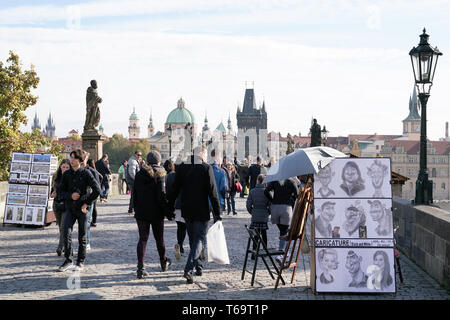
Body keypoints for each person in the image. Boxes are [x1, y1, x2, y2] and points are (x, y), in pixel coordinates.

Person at [167, 146, 221, 284]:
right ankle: (189, 269)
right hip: (201, 210)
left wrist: (169, 208)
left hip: (187, 210)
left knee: (193, 240)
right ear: (202, 153)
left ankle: (199, 267)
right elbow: (213, 192)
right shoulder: (205, 168)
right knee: (198, 240)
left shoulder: (183, 167)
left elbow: (174, 189)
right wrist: (217, 213)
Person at [58, 149, 101, 272]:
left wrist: (87, 203)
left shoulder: (86, 173)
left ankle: (80, 262)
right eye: (71, 158)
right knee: (66, 232)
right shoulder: (66, 174)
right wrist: (70, 196)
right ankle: (68, 260)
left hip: (82, 209)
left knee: (82, 236)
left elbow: (97, 190)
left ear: (80, 160)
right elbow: (60, 192)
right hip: (70, 208)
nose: (72, 160)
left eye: (74, 158)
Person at [133, 150, 173, 279]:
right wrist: (168, 212)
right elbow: (161, 196)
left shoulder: (139, 174)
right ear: (158, 161)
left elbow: (135, 194)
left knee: (142, 239)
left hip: (141, 212)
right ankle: (163, 261)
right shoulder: (160, 174)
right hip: (156, 212)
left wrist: (135, 208)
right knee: (159, 239)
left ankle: (140, 267)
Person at [264, 177, 298, 264]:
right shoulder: (291, 181)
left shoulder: (274, 180)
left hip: (275, 208)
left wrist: (272, 200)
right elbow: (297, 194)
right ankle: (281, 253)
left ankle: (285, 254)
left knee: (283, 232)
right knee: (284, 232)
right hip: (286, 208)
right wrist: (291, 201)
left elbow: (266, 191)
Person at [164, 159, 186, 259]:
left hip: (176, 205)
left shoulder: (170, 176)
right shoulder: (186, 175)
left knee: (180, 227)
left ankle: (180, 244)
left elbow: (168, 191)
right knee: (187, 228)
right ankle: (183, 246)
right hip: (186, 204)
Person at [246, 174, 270, 258]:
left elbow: (248, 205)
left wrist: (252, 212)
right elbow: (270, 205)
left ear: (257, 181)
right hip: (264, 215)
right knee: (264, 235)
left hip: (255, 215)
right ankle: (265, 252)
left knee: (255, 235)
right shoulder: (267, 192)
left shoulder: (252, 191)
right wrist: (267, 213)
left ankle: (254, 253)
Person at [50, 159, 71, 256]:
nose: (65, 169)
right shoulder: (56, 176)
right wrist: (52, 193)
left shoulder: (71, 177)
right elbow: (52, 189)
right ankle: (64, 244)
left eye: (67, 167)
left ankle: (60, 247)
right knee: (60, 226)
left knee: (64, 227)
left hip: (67, 205)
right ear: (60, 167)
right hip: (57, 204)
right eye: (63, 167)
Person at [83, 155, 102, 250]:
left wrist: (89, 201)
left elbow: (97, 189)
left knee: (87, 222)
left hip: (89, 201)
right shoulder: (72, 171)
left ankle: (86, 242)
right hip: (76, 201)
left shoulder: (92, 172)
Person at [126, 150, 142, 215]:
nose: (139, 156)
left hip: (132, 181)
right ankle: (131, 210)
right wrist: (137, 180)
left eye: (140, 155)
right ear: (135, 154)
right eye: (138, 155)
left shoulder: (134, 160)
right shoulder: (133, 161)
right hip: (132, 181)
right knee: (134, 196)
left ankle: (132, 210)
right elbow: (132, 173)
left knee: (134, 195)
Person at [86, 159, 100, 228]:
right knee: (94, 207)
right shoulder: (95, 170)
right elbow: (101, 177)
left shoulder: (89, 171)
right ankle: (93, 221)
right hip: (96, 190)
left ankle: (91, 221)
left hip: (92, 191)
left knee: (92, 207)